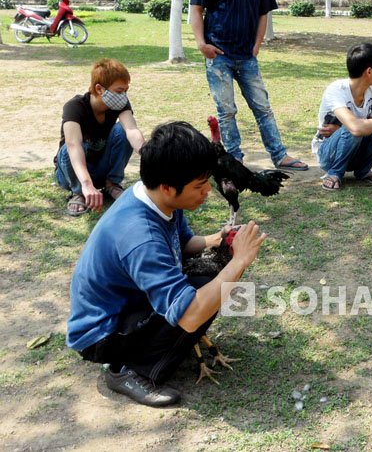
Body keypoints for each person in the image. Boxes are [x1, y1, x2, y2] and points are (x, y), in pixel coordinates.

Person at [66, 121, 267, 407]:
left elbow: (183, 245)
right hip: (102, 333)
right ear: (168, 187)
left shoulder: (155, 198)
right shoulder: (141, 235)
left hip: (128, 303)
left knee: (209, 278)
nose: (207, 192)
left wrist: (217, 238)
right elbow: (191, 314)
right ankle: (128, 372)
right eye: (199, 186)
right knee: (202, 297)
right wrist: (240, 262)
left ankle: (152, 345)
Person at [190, 0, 307, 171]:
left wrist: (257, 44)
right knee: (227, 111)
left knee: (263, 108)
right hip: (218, 54)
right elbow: (196, 10)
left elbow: (262, 13)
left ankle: (280, 155)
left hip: (247, 56)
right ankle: (234, 158)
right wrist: (201, 44)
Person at [54, 58, 145, 217]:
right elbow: (73, 145)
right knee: (71, 148)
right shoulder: (75, 106)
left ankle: (111, 184)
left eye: (126, 91)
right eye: (119, 91)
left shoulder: (120, 104)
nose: (123, 96)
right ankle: (78, 192)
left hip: (100, 168)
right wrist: (86, 184)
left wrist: (150, 155)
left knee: (122, 130)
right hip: (72, 173)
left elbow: (131, 130)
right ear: (99, 88)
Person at [311, 43, 372, 190]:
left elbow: (371, 128)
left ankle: (363, 171)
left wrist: (340, 128)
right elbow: (356, 129)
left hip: (355, 150)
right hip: (328, 154)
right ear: (370, 71)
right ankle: (334, 173)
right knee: (354, 128)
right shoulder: (336, 90)